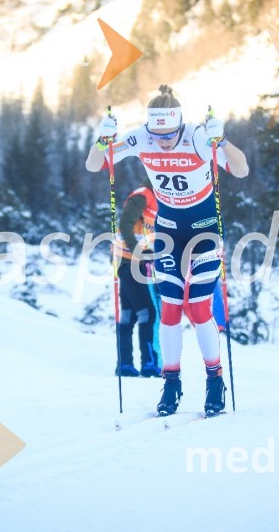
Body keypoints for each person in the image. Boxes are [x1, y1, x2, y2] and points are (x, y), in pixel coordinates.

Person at [86, 85, 249, 416]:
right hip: (169, 230)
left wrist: (224, 141)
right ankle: (171, 381)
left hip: (203, 229)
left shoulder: (198, 137)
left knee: (200, 307)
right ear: (149, 128)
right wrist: (102, 141)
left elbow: (242, 169)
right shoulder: (141, 138)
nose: (162, 141)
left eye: (169, 134)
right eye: (156, 134)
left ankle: (214, 379)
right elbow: (94, 165)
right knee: (171, 308)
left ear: (180, 125)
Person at [114, 178, 162, 378]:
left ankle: (125, 364)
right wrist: (137, 252)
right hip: (134, 263)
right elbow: (125, 222)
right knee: (148, 313)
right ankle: (149, 364)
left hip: (132, 263)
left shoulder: (158, 199)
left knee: (128, 315)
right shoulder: (144, 195)